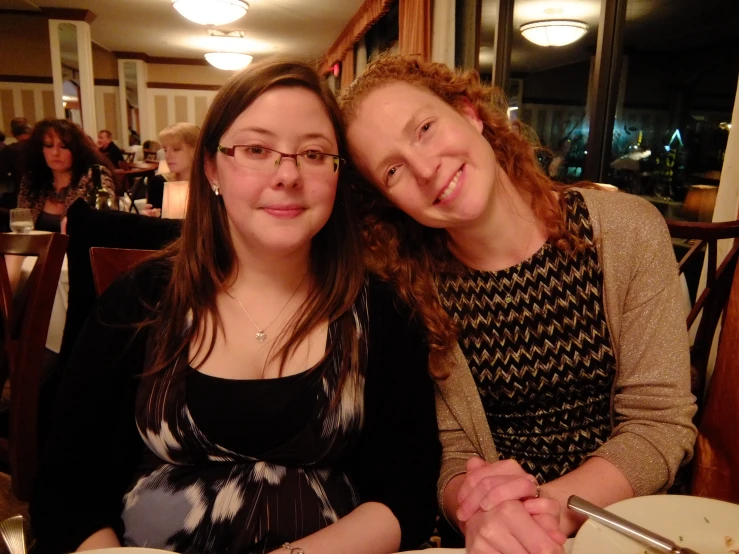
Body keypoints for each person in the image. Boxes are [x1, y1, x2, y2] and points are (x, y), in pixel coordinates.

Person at [30, 59, 440, 554]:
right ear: (212, 166)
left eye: (313, 153)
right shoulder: (140, 301)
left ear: (337, 172)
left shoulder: (379, 310)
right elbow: (65, 490)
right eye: (256, 149)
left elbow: (407, 495)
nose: (287, 174)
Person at [340, 54, 697, 554]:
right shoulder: (409, 287)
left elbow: (660, 421)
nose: (424, 169)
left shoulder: (627, 229)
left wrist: (551, 507)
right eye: (393, 170)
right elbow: (451, 454)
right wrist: (476, 506)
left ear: (468, 112)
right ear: (388, 199)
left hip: (626, 525)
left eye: (424, 128)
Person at [18, 118, 116, 232]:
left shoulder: (95, 177)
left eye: (64, 146)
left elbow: (106, 225)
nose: (55, 153)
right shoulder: (32, 180)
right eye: (49, 146)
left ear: (76, 149)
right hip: (38, 249)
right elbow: (22, 225)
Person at [144, 122, 199, 217]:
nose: (167, 156)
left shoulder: (211, 184)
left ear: (195, 150)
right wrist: (148, 219)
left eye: (176, 149)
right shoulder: (158, 183)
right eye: (165, 150)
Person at [0, 116, 32, 207]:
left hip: (18, 195)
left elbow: (2, 174)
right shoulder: (42, 147)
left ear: (13, 133)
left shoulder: (10, 150)